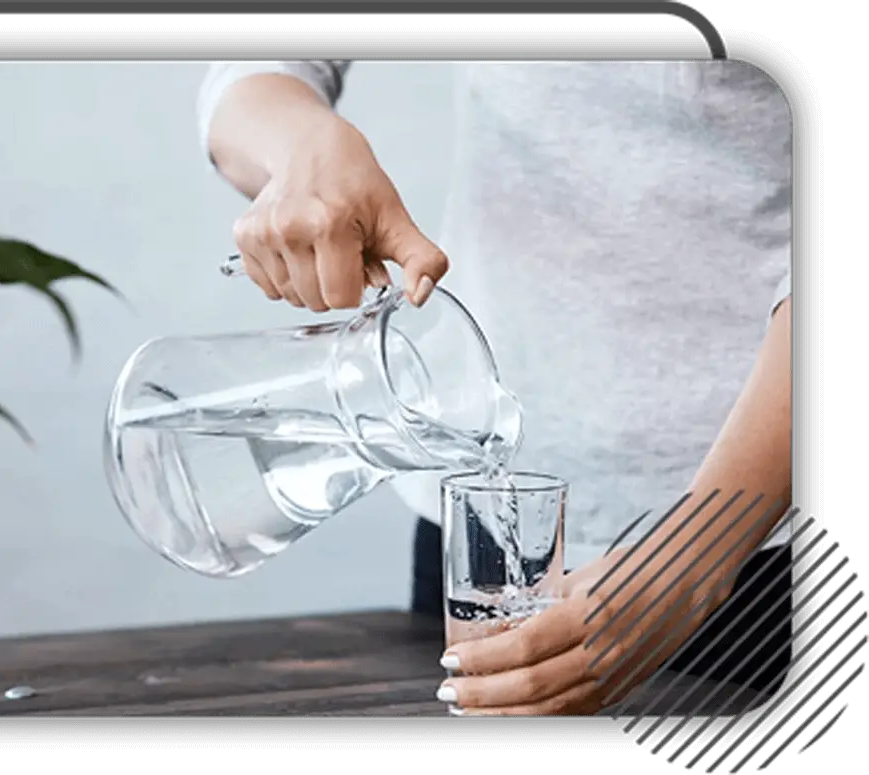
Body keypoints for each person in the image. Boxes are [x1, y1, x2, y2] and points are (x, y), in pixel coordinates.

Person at [195, 61, 793, 715]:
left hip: (761, 542)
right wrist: (306, 147)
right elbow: (253, 74)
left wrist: (698, 551)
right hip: (472, 536)